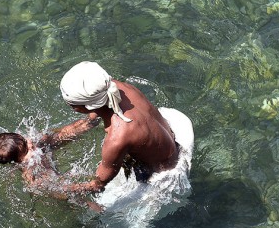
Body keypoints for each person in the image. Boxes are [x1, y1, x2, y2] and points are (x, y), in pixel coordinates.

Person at [55, 61, 194, 196]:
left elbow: (97, 185)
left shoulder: (117, 138)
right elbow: (90, 120)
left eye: (71, 104)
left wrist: (50, 186)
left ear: (80, 108)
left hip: (165, 175)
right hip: (171, 130)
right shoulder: (115, 87)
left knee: (101, 208)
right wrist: (51, 140)